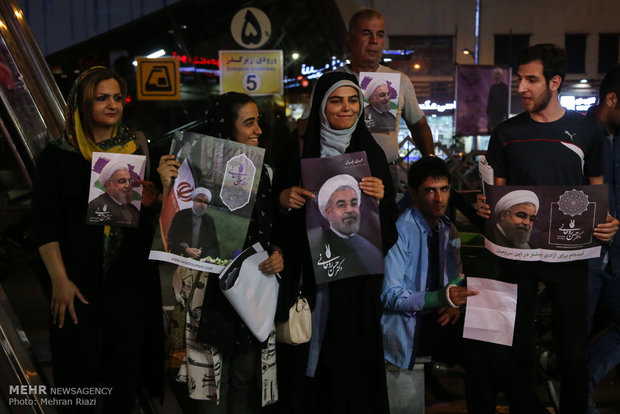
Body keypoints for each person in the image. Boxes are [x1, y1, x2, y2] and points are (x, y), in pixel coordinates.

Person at [475, 44, 618, 414]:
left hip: (571, 259)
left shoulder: (587, 132)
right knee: (516, 348)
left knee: (573, 352)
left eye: (531, 79)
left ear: (554, 82)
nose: (521, 87)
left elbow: (597, 194)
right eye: (519, 78)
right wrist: (485, 206)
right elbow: (496, 195)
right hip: (516, 258)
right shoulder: (505, 134)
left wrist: (607, 225)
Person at [32, 67, 164, 412]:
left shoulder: (137, 149)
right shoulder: (58, 156)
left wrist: (153, 200)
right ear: (82, 103)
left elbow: (150, 217)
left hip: (128, 287)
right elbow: (44, 225)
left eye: (117, 98)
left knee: (122, 390)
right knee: (79, 389)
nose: (112, 105)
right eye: (102, 98)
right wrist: (60, 281)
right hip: (77, 287)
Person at [273, 71, 398, 414]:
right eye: (336, 100)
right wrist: (284, 199)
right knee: (309, 366)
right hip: (311, 283)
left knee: (354, 369)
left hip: (356, 288)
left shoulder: (371, 154)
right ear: (320, 106)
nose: (346, 108)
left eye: (353, 100)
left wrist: (381, 198)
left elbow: (389, 230)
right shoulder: (295, 150)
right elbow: (271, 212)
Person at [159, 92, 284, 413]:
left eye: (259, 122)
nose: (258, 130)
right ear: (226, 129)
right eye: (249, 123)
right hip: (208, 294)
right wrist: (166, 186)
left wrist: (279, 253)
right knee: (211, 387)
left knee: (244, 380)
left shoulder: (265, 174)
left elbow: (275, 231)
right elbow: (170, 235)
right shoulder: (193, 175)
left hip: (251, 293)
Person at [381, 156, 478, 372]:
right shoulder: (400, 231)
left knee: (491, 341)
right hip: (410, 325)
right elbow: (390, 294)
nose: (439, 198)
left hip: (440, 319)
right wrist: (437, 299)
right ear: (414, 194)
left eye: (444, 189)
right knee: (480, 349)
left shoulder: (447, 228)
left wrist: (453, 304)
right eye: (430, 190)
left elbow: (456, 279)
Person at [301, 8, 434, 162]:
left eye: (380, 34)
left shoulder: (400, 80)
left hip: (386, 171)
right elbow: (305, 126)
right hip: (339, 169)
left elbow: (418, 124)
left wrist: (431, 160)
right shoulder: (329, 81)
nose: (374, 40)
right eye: (366, 33)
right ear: (350, 39)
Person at [585, 64, 620, 414]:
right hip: (583, 257)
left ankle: (580, 383)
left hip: (616, 258)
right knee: (574, 334)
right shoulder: (578, 134)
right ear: (611, 99)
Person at [311, 174, 383, 278]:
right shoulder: (318, 245)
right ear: (328, 212)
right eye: (341, 205)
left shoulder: (370, 246)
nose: (350, 210)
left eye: (354, 203)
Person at [166, 187, 220, 259]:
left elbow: (213, 245)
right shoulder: (181, 215)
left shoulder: (209, 220)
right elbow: (171, 238)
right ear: (193, 200)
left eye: (205, 202)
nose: (202, 204)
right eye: (199, 201)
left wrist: (202, 252)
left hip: (200, 259)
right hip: (180, 257)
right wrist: (186, 249)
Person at [87, 161, 140, 227]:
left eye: (129, 181)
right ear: (109, 185)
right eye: (122, 181)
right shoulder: (95, 206)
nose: (128, 185)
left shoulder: (133, 209)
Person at [486, 66, 510, 133]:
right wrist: (488, 111)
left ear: (501, 76)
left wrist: (504, 112)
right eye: (495, 74)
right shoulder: (492, 87)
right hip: (492, 113)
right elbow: (490, 100)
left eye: (498, 74)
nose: (496, 76)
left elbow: (505, 101)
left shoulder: (504, 87)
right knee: (491, 130)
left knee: (500, 130)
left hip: (500, 114)